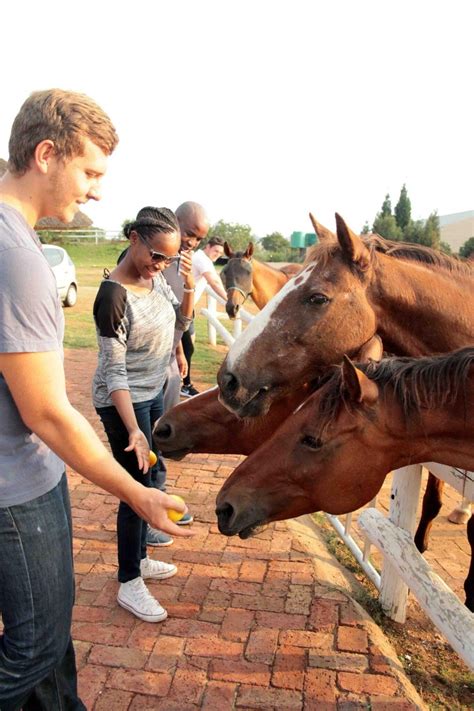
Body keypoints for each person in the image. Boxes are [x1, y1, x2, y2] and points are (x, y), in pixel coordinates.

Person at [0, 89, 190, 711]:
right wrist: (137, 490)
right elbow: (48, 412)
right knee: (34, 644)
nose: (97, 191)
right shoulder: (17, 256)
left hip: (24, 476)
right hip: (17, 488)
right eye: (90, 172)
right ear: (47, 154)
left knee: (51, 649)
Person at [93, 206, 194, 622]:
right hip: (122, 402)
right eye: (156, 256)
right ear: (134, 238)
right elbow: (113, 370)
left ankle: (140, 557)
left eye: (168, 260)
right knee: (135, 488)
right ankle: (129, 581)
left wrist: (188, 286)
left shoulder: (155, 281)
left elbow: (179, 323)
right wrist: (134, 430)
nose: (160, 266)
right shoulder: (112, 296)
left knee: (152, 477)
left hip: (152, 391)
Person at [179, 235, 227, 399]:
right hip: (182, 307)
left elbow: (217, 280)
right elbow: (214, 282)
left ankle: (183, 382)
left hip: (187, 307)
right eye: (216, 251)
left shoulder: (203, 259)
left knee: (187, 346)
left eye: (220, 253)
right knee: (186, 347)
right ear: (208, 247)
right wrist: (229, 301)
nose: (217, 255)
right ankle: (185, 385)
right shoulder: (202, 259)